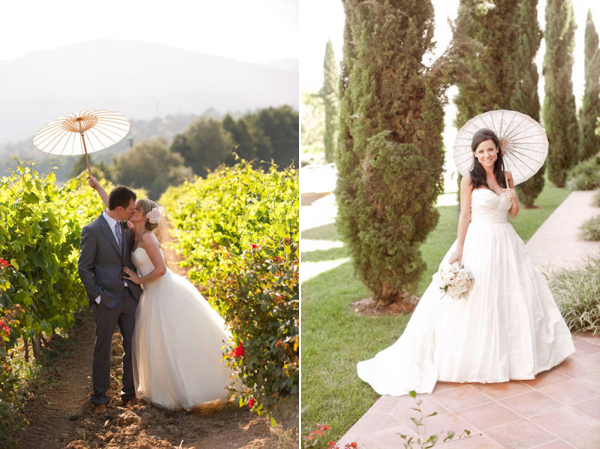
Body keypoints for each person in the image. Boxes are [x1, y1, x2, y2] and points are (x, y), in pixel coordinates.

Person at [357, 128, 575, 396]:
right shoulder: (469, 179)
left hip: (506, 241)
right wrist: (460, 250)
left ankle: (518, 356)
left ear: (498, 151)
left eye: (491, 149)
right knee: (477, 297)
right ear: (475, 153)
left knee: (512, 295)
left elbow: (514, 214)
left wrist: (512, 195)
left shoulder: (507, 177)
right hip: (479, 240)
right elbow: (464, 216)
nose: (486, 154)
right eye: (481, 150)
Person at [88, 176, 234, 410]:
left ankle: (190, 386)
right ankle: (163, 388)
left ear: (145, 216)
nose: (132, 211)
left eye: (137, 209)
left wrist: (139, 279)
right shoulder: (131, 231)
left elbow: (162, 269)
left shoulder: (147, 238)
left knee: (175, 339)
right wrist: (99, 189)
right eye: (132, 208)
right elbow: (114, 208)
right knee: (155, 342)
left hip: (161, 289)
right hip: (149, 295)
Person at [78, 185, 143, 415]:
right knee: (103, 348)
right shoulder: (92, 230)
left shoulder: (126, 226)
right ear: (119, 208)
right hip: (105, 299)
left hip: (129, 297)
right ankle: (100, 398)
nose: (133, 212)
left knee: (132, 345)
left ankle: (130, 392)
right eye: (131, 209)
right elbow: (84, 267)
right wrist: (97, 296)